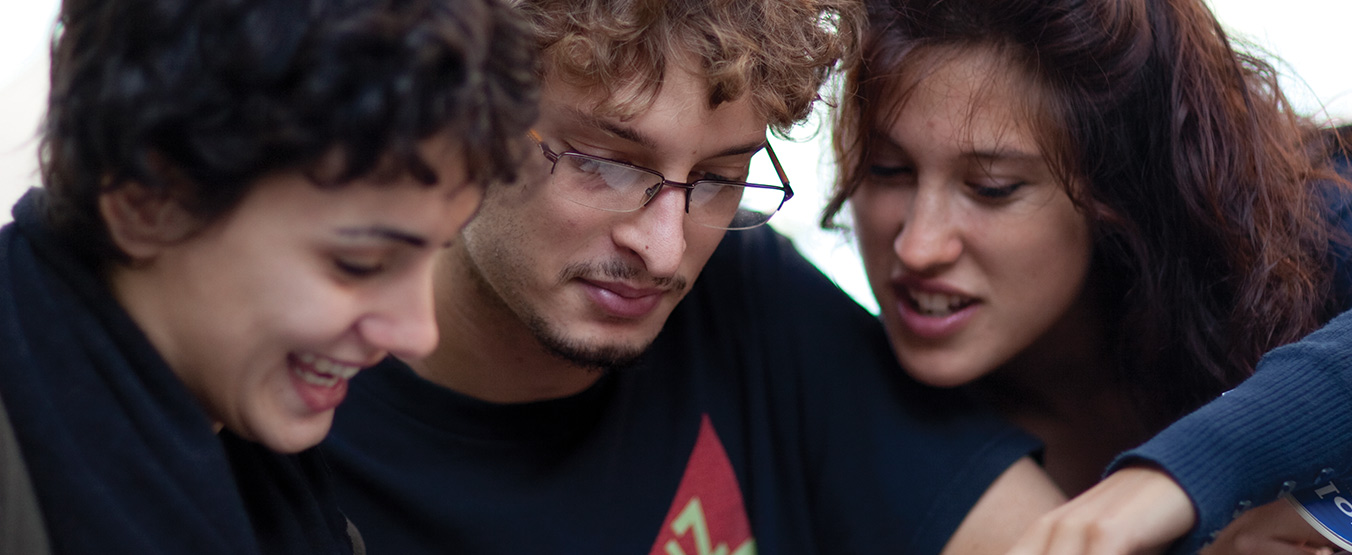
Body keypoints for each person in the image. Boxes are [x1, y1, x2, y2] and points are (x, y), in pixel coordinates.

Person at [0, 0, 537, 552]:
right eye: (358, 262)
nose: (418, 328)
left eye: (434, 252)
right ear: (148, 197)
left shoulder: (291, 502)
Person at [321, 1, 1074, 553]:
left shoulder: (750, 301)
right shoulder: (290, 402)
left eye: (718, 177)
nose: (663, 246)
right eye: (606, 162)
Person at [823, 0, 1352, 552]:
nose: (918, 245)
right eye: (886, 170)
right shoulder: (832, 387)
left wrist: (1172, 482)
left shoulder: (1283, 203)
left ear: (1118, 187)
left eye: (993, 187)